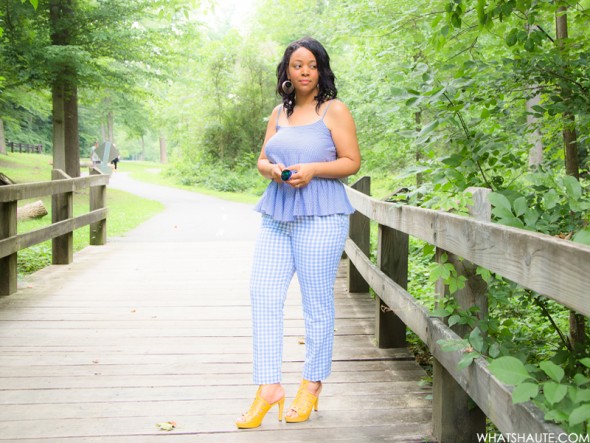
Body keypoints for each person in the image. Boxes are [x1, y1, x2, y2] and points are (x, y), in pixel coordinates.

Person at [236, 37, 361, 429]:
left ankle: (312, 383)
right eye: (296, 65)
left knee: (316, 302)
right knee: (263, 294)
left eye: (310, 65)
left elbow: (351, 162)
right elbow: (261, 159)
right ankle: (269, 387)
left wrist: (312, 169)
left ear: (321, 69)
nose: (304, 71)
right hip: (277, 212)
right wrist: (272, 170)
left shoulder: (334, 110)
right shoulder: (279, 112)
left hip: (321, 215)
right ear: (287, 71)